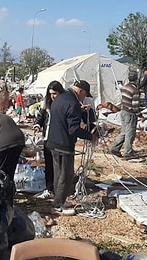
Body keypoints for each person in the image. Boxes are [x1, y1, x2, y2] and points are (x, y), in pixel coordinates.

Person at [46, 80, 97, 215]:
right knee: (66, 175)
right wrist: (90, 136)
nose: (84, 98)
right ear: (80, 91)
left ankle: (59, 200)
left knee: (58, 174)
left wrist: (78, 111)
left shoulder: (61, 98)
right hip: (64, 144)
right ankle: (58, 205)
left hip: (53, 142)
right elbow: (74, 129)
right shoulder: (73, 103)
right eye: (84, 95)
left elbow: (64, 114)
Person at [32, 81, 65, 199]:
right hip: (48, 139)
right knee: (49, 165)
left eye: (55, 93)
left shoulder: (65, 104)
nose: (53, 96)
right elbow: (41, 117)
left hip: (60, 140)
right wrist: (37, 125)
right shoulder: (46, 104)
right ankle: (49, 188)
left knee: (60, 167)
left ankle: (59, 190)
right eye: (50, 94)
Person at [110, 71, 141, 157]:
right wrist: (140, 115)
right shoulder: (135, 90)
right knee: (130, 133)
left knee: (124, 131)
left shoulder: (125, 87)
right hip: (130, 113)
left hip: (123, 111)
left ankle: (115, 148)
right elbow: (135, 106)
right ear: (136, 79)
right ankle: (128, 152)